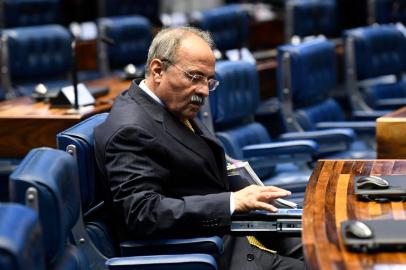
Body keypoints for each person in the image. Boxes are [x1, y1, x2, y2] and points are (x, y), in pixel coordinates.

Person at [94, 26, 305, 270]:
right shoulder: (130, 129)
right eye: (195, 77)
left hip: (240, 228)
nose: (204, 91)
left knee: (327, 242)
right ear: (158, 70)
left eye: (209, 80)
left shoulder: (170, 105)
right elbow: (142, 212)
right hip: (210, 249)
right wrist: (232, 202)